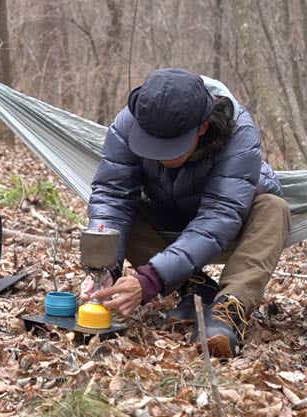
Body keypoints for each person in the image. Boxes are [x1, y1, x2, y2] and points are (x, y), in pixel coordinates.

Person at [80, 68, 290, 358]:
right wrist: (105, 267)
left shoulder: (240, 132)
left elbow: (219, 216)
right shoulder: (131, 120)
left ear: (202, 128)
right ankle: (194, 286)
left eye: (170, 148)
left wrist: (150, 281)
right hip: (165, 215)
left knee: (274, 209)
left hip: (230, 221)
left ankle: (229, 311)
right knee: (124, 212)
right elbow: (113, 195)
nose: (160, 156)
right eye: (152, 146)